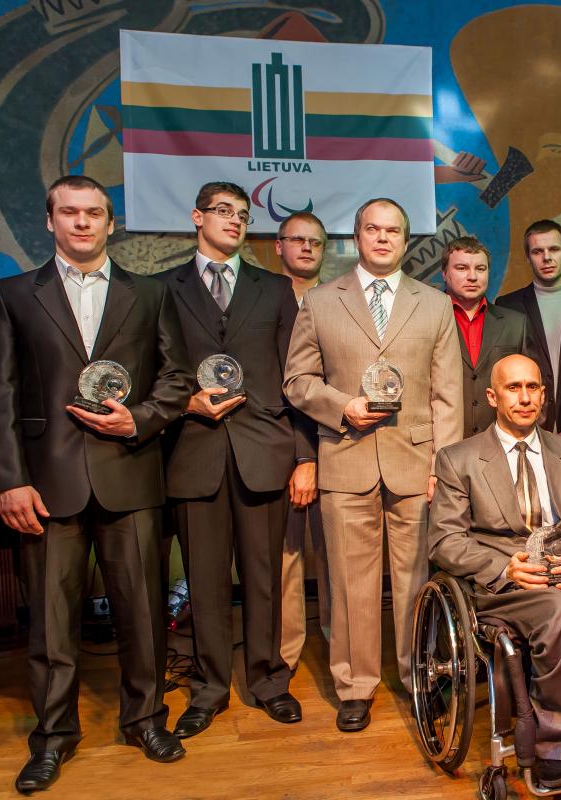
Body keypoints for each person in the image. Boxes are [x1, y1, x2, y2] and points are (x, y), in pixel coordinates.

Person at [0, 175, 193, 792]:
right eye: (68, 213)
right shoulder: (13, 294)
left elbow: (176, 379)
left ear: (110, 222)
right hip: (47, 485)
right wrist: (8, 481)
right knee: (50, 622)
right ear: (49, 221)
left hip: (131, 474)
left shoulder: (148, 294)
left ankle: (147, 718)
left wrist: (140, 419)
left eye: (93, 213)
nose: (81, 223)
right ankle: (52, 737)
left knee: (144, 615)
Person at [283, 197, 462, 732]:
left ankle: (419, 677)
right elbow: (297, 381)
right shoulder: (320, 301)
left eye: (393, 230)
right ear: (356, 236)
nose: (382, 238)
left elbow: (447, 396)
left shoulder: (434, 303)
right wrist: (342, 407)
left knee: (414, 580)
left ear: (406, 240)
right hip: (346, 458)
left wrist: (442, 469)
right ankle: (355, 686)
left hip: (416, 464)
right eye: (372, 229)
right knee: (350, 583)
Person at [429, 354, 561, 789]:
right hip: (506, 580)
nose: (525, 398)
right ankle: (558, 749)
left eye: (533, 388)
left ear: (544, 394)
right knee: (559, 611)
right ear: (492, 396)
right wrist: (506, 567)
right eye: (513, 388)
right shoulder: (458, 458)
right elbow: (445, 539)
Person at [158, 182, 310, 737]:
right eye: (223, 211)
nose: (234, 221)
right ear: (197, 216)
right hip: (193, 452)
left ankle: (268, 681)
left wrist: (304, 455)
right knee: (204, 580)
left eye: (243, 215)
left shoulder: (274, 290)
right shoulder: (161, 290)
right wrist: (183, 402)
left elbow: (296, 379)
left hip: (263, 452)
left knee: (264, 578)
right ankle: (209, 688)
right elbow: (154, 372)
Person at [273, 212, 328, 673]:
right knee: (288, 558)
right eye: (297, 239)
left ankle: (339, 646)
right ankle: (285, 657)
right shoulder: (265, 299)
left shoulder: (339, 299)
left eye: (316, 242)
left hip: (341, 446)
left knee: (336, 562)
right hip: (283, 448)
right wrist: (300, 455)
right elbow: (285, 388)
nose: (307, 248)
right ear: (278, 246)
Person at [497, 219, 561, 433]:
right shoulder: (508, 305)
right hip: (526, 423)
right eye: (537, 251)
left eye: (554, 249)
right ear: (528, 257)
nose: (546, 257)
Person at [441, 235, 531, 438]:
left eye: (480, 269)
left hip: (503, 441)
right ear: (444, 273)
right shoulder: (426, 319)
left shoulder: (516, 323)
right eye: (462, 268)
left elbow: (531, 387)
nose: (472, 276)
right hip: (444, 442)